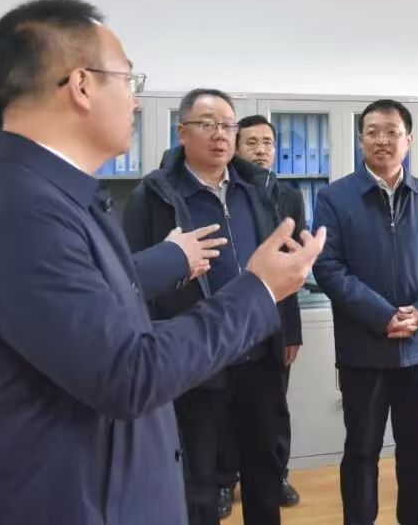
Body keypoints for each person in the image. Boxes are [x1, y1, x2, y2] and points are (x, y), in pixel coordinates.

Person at [0, 0, 324, 525]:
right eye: (128, 80)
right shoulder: (23, 209)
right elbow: (127, 371)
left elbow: (97, 296)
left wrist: (172, 258)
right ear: (81, 85)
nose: (137, 102)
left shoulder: (51, 193)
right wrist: (258, 290)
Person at [124, 90, 303, 525]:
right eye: (207, 124)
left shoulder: (256, 189)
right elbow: (132, 279)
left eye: (227, 125)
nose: (220, 134)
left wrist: (287, 329)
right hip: (193, 358)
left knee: (265, 469)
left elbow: (280, 267)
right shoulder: (154, 195)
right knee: (199, 479)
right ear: (182, 133)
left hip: (258, 351)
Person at [313, 99, 418, 525]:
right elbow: (328, 267)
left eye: (392, 132)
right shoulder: (334, 197)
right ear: (360, 138)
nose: (383, 140)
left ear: (408, 140)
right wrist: (382, 316)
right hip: (364, 349)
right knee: (361, 450)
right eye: (373, 131)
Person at [217, 114, 304, 514]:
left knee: (274, 407)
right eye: (251, 143)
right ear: (236, 148)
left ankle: (277, 474)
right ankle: (224, 480)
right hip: (230, 315)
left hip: (274, 319)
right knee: (224, 404)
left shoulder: (289, 196)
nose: (261, 150)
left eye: (267, 143)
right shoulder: (228, 192)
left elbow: (295, 268)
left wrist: (292, 331)